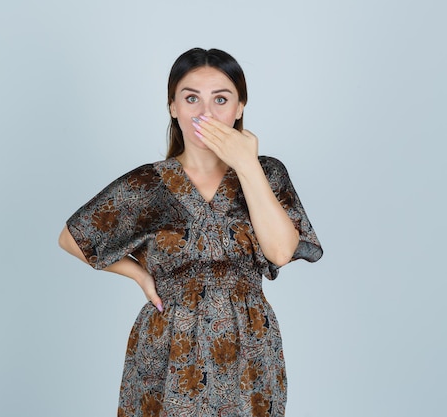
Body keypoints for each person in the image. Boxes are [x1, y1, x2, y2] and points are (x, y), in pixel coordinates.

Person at [58, 47, 323, 417]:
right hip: (169, 346)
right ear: (173, 107)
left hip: (249, 345)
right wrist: (138, 274)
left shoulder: (267, 173)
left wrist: (246, 163)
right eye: (191, 98)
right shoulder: (148, 184)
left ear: (240, 107)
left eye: (221, 99)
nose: (206, 113)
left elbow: (280, 251)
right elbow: (74, 238)